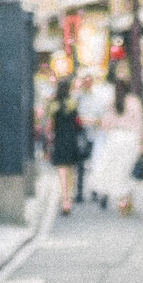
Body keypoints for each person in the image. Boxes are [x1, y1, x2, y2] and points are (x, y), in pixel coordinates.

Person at [86, 76, 143, 212]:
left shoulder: (112, 102)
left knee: (117, 170)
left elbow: (105, 124)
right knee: (127, 170)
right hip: (131, 138)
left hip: (115, 137)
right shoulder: (134, 102)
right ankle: (125, 199)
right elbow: (139, 124)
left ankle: (123, 200)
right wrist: (142, 144)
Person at [48, 79, 86, 210]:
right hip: (71, 139)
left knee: (62, 171)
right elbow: (78, 122)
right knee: (71, 170)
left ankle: (64, 199)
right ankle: (68, 197)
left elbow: (50, 123)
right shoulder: (73, 103)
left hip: (59, 139)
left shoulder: (53, 104)